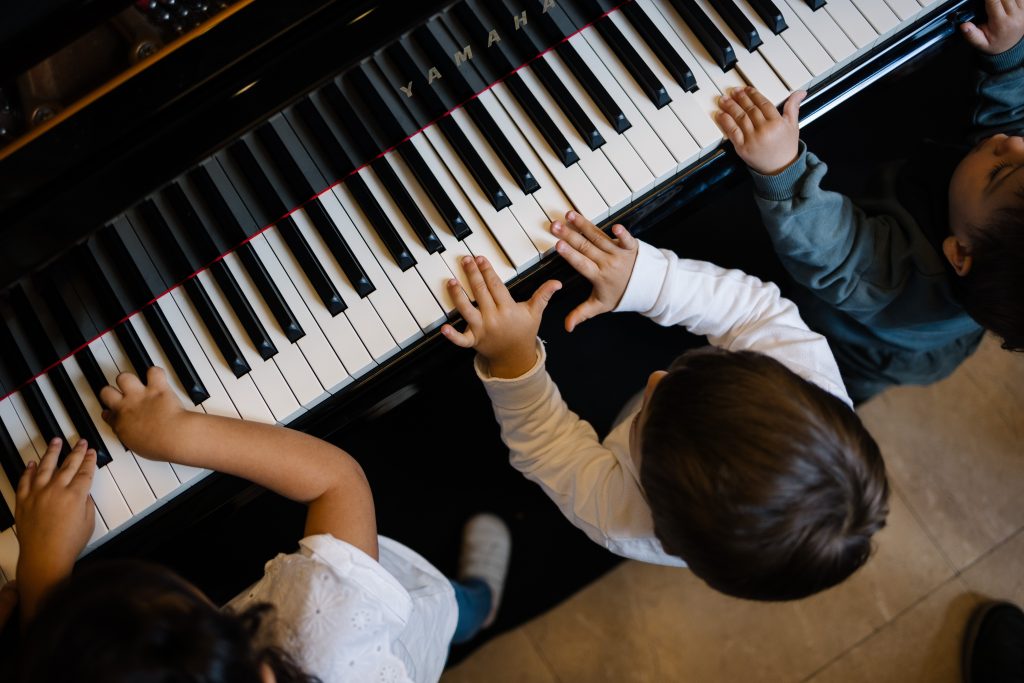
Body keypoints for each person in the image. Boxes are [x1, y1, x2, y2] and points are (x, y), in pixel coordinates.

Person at [439, 212, 889, 601]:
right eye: (679, 375)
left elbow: (549, 448)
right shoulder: (809, 384)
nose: (655, 376)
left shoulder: (618, 519)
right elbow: (754, 312)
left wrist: (513, 361)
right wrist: (648, 282)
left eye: (645, 420)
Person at [12, 369, 511, 683]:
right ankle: (481, 603)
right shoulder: (328, 634)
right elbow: (338, 482)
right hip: (403, 628)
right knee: (447, 609)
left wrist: (44, 572)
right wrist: (179, 433)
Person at [713, 0, 1024, 402]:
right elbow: (1012, 130)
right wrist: (1009, 57)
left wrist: (782, 169)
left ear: (960, 252)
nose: (1013, 144)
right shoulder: (994, 202)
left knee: (819, 381)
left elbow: (834, 253)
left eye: (1000, 173)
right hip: (943, 288)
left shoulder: (891, 276)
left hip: (863, 345)